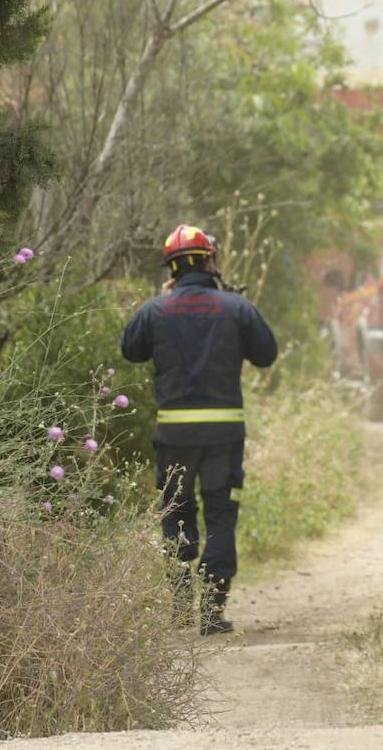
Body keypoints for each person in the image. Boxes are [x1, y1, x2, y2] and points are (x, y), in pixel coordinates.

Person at [121, 223, 278, 635]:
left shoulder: (156, 310)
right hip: (224, 437)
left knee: (176, 513)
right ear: (210, 260)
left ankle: (179, 607)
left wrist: (162, 298)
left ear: (171, 267)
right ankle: (212, 612)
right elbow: (267, 354)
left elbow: (130, 349)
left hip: (174, 439)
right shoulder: (235, 308)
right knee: (221, 516)